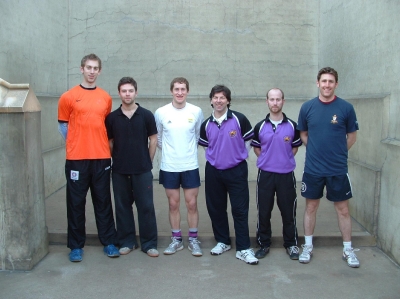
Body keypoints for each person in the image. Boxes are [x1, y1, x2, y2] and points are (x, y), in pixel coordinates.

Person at [57, 53, 119, 262]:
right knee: (75, 204)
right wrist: (77, 142)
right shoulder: (68, 96)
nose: (92, 72)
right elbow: (63, 126)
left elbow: (105, 126)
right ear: (81, 69)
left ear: (99, 71)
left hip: (101, 158)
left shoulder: (105, 97)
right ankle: (76, 246)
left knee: (103, 202)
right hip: (76, 159)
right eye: (88, 67)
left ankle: (109, 242)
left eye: (95, 68)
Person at [297, 67, 360, 268]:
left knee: (342, 210)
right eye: (323, 81)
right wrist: (316, 150)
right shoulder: (307, 107)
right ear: (318, 83)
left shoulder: (346, 108)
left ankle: (348, 249)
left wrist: (338, 152)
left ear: (336, 84)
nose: (326, 85)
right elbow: (303, 134)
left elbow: (352, 137)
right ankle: (307, 246)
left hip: (337, 170)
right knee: (311, 207)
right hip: (313, 169)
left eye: (330, 81)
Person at [198, 85, 258, 265]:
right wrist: (217, 160)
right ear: (211, 100)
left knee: (240, 209)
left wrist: (237, 158)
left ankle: (243, 248)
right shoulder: (206, 124)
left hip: (237, 171)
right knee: (216, 208)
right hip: (214, 171)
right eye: (215, 97)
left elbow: (248, 142)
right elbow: (206, 147)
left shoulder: (239, 119)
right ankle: (223, 241)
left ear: (228, 101)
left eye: (222, 98)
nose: (218, 101)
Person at [105, 77, 159, 258]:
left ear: (136, 92)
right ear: (119, 93)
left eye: (130, 91)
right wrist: (117, 159)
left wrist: (147, 160)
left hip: (142, 170)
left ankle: (149, 244)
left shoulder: (146, 115)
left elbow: (153, 139)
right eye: (124, 91)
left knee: (146, 207)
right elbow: (110, 142)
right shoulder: (112, 118)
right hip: (120, 171)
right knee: (122, 207)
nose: (127, 94)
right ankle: (127, 241)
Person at [154, 77, 204, 256]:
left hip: (190, 165)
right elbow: (158, 138)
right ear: (171, 91)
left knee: (192, 204)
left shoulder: (196, 111)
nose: (180, 92)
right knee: (173, 204)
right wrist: (171, 151)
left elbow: (198, 135)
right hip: (169, 166)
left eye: (183, 89)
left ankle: (193, 240)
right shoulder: (161, 112)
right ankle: (176, 240)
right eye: (176, 89)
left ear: (187, 91)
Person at [251, 88, 302, 260]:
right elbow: (257, 148)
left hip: (286, 175)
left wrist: (283, 159)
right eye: (271, 99)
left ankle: (291, 244)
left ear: (283, 101)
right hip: (265, 175)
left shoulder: (292, 126)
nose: (275, 103)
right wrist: (267, 159)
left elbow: (294, 147)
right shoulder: (260, 126)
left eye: (278, 99)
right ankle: (263, 244)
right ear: (267, 101)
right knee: (264, 212)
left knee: (288, 212)